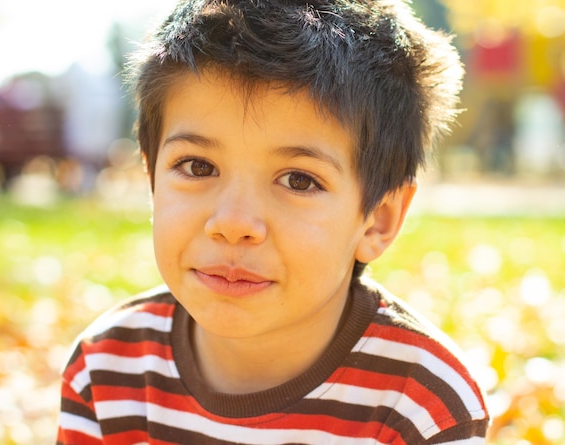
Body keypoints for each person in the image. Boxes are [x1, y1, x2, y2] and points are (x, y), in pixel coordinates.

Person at [56, 0, 490, 443]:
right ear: (151, 178)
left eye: (299, 180)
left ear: (378, 219)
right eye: (198, 167)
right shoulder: (107, 369)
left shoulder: (420, 404)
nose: (233, 223)